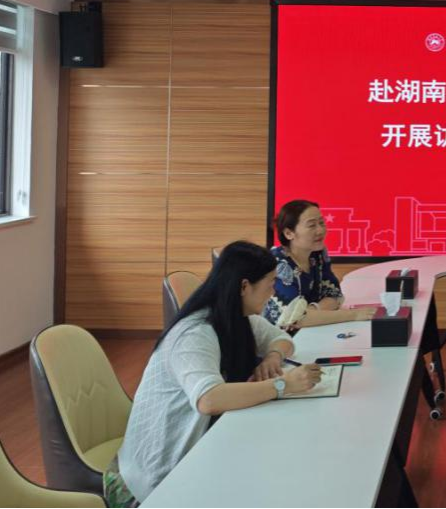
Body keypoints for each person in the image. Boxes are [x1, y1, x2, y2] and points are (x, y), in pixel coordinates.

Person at [106, 241, 323, 506]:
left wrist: (273, 357)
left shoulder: (238, 317)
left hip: (197, 455)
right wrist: (282, 385)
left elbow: (281, 339)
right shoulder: (194, 333)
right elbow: (209, 399)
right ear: (244, 286)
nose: (273, 291)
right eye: (270, 283)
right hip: (154, 482)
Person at [265, 199, 376, 328]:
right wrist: (354, 315)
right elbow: (294, 320)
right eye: (312, 225)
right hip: (278, 337)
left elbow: (334, 294)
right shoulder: (278, 264)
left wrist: (313, 311)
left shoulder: (317, 253)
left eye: (322, 223)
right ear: (289, 233)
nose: (320, 230)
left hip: (310, 331)